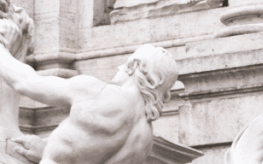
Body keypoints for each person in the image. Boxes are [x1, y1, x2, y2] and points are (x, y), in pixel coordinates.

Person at [0, 32, 178, 164]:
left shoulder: (97, 92)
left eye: (124, 64)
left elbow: (25, 82)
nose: (119, 68)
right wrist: (46, 149)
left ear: (133, 66)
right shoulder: (145, 139)